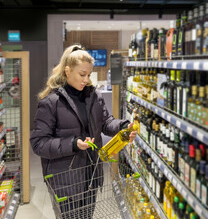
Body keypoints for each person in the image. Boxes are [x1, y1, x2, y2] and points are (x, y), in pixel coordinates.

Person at [30, 45, 137, 218]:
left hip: (90, 174)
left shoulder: (94, 96)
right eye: (82, 74)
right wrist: (72, 144)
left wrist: (123, 126)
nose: (86, 80)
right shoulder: (51, 102)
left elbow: (105, 122)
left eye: (89, 75)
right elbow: (38, 143)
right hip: (65, 180)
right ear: (67, 70)